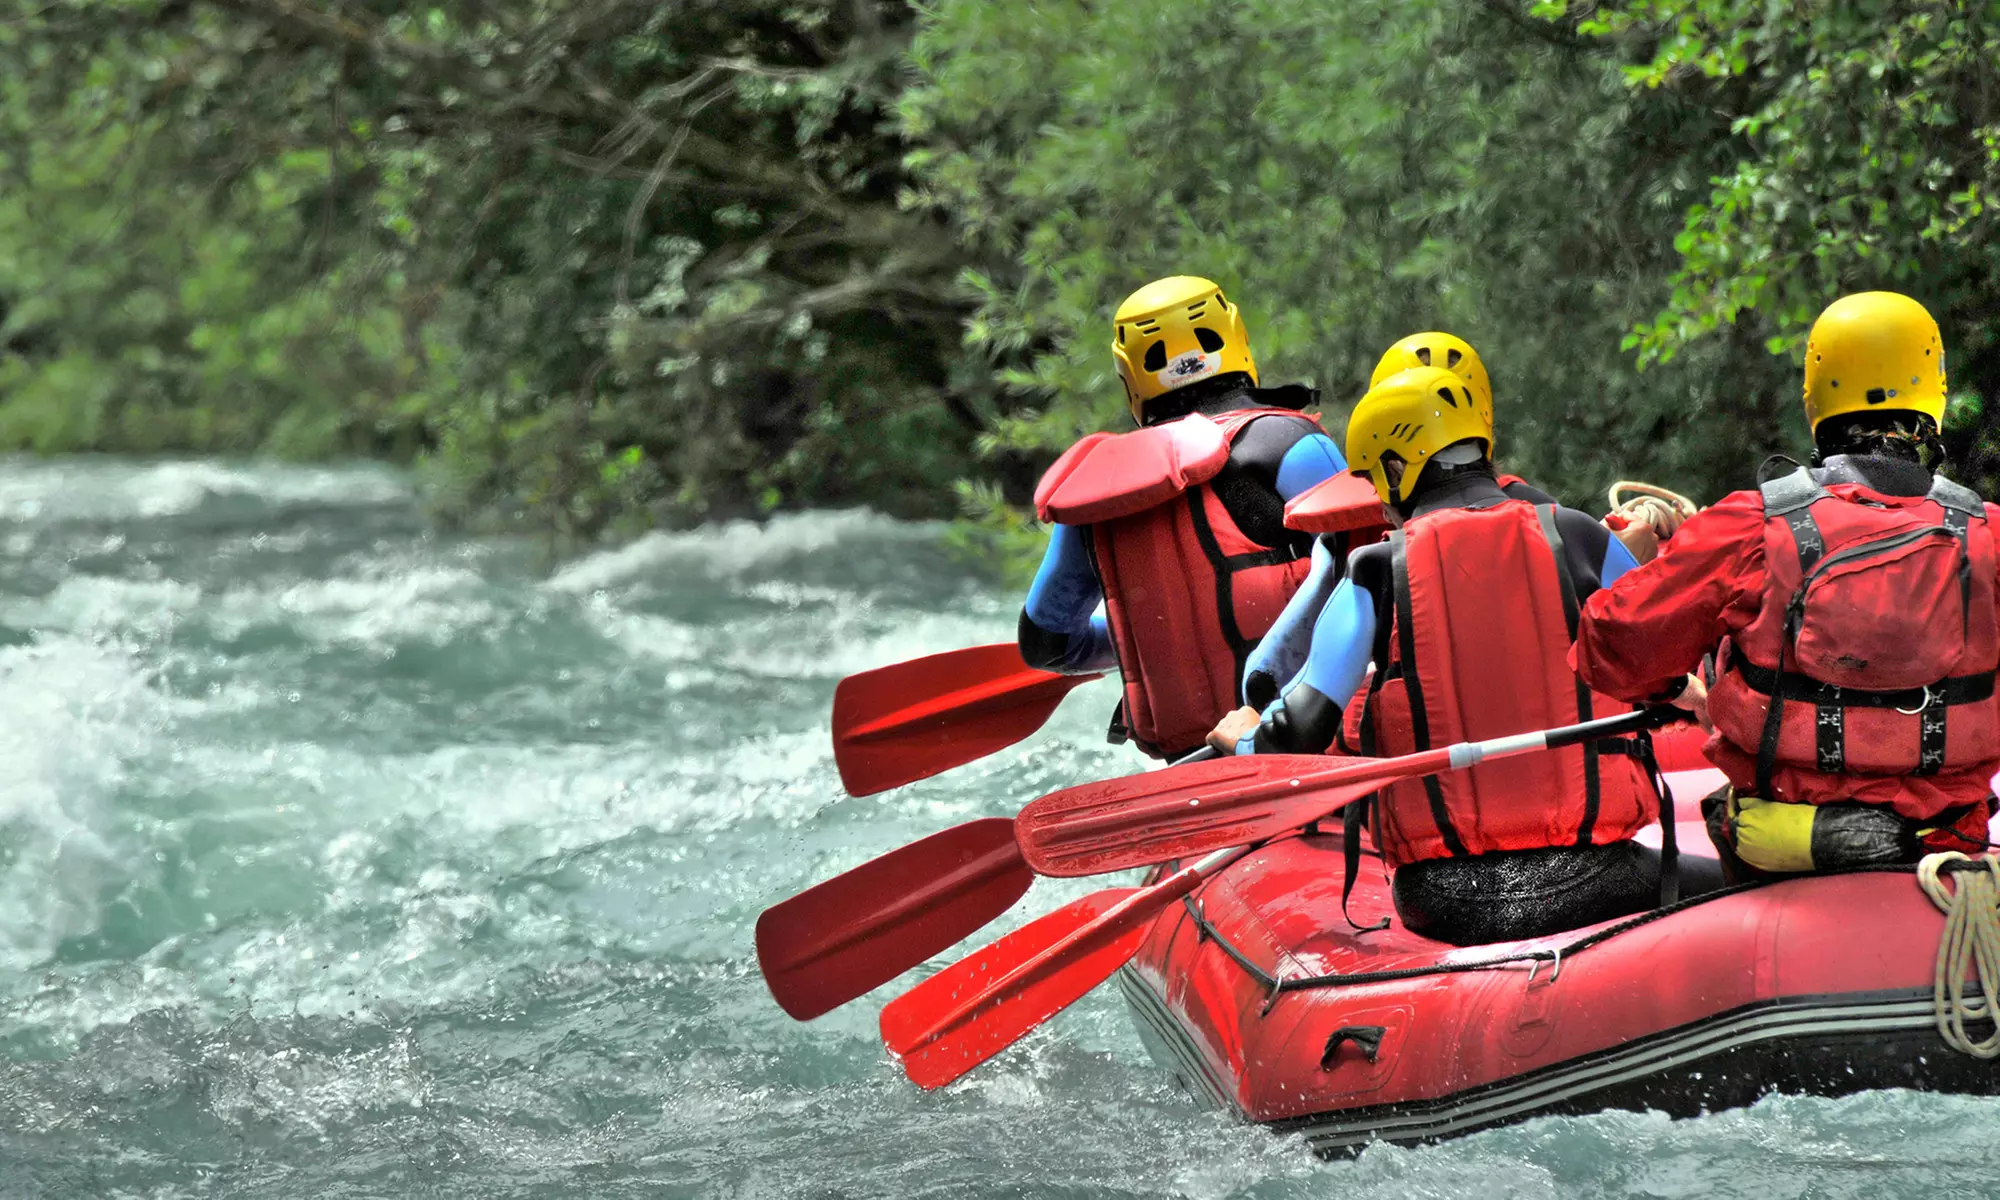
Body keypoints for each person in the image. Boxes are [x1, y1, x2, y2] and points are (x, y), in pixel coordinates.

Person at [1207, 366, 1667, 945]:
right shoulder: (1580, 537)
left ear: (1397, 469)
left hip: (1447, 897)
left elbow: (1297, 733)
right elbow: (1669, 657)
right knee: (1730, 875)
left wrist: (1242, 739)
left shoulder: (1374, 570)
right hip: (1600, 874)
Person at [1573, 291, 2000, 880]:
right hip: (1947, 841)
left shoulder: (1752, 524)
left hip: (1784, 841)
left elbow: (1611, 650)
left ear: (1816, 397)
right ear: (1935, 396)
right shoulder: (1990, 536)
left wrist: (1679, 683)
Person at [1241, 331, 1685, 709]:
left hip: (1426, 779)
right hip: (1575, 778)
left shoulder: (1355, 551)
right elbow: (1662, 643)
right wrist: (1630, 556)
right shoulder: (1561, 526)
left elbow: (1265, 679)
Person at [1018, 276, 1345, 760]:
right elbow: (1373, 571)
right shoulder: (1288, 443)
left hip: (1191, 765)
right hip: (1309, 738)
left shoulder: (1096, 495)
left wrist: (1150, 635)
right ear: (1235, 338)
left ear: (1130, 376)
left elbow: (1046, 644)